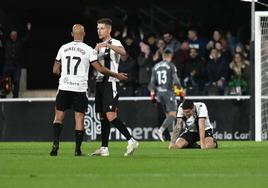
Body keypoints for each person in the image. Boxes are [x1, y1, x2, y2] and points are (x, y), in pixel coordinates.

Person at [49, 24, 128, 156]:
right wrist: (117, 75)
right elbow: (101, 69)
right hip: (79, 88)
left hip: (64, 86)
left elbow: (55, 70)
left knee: (58, 117)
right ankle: (77, 150)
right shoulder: (88, 50)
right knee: (79, 118)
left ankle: (55, 144)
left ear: (71, 34)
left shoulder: (63, 48)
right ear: (84, 34)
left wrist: (65, 75)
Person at [91, 18, 139, 157]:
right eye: (98, 28)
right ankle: (104, 148)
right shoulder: (97, 46)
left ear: (109, 29)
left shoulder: (115, 42)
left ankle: (131, 140)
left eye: (102, 28)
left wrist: (108, 45)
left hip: (111, 82)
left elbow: (123, 52)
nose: (99, 30)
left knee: (111, 116)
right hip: (99, 83)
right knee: (102, 117)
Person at [148, 48, 183, 142]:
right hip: (168, 92)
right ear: (170, 56)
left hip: (159, 94)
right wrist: (181, 91)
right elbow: (176, 80)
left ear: (163, 56)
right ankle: (160, 131)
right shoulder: (171, 65)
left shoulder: (155, 66)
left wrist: (152, 95)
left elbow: (152, 83)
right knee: (173, 115)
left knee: (168, 116)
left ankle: (172, 138)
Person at [3, 23, 31, 98]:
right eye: (12, 35)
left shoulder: (20, 42)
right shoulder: (6, 42)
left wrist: (28, 29)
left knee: (16, 80)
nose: (13, 36)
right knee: (5, 80)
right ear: (10, 36)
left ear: (17, 36)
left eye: (15, 35)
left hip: (17, 66)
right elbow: (3, 35)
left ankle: (15, 96)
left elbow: (26, 38)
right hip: (7, 65)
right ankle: (4, 94)